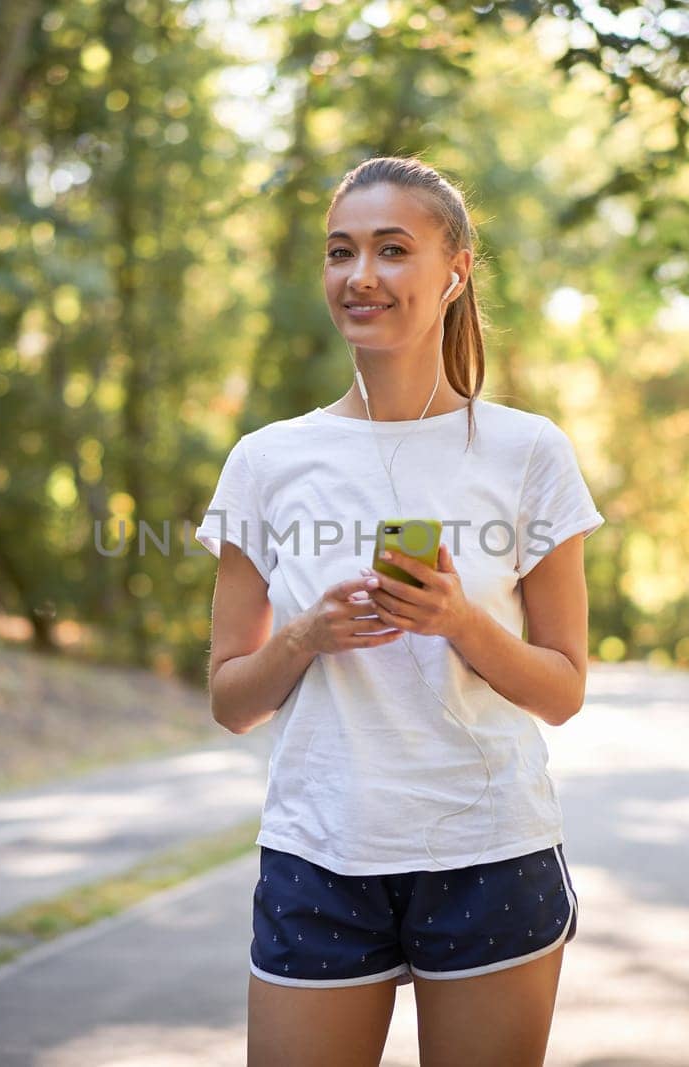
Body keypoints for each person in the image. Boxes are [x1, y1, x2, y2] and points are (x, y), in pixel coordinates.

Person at [194, 155, 607, 1067]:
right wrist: (309, 633)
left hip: (490, 848)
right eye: (342, 252)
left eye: (392, 250)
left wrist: (460, 619)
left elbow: (565, 689)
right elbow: (231, 701)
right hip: (319, 853)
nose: (362, 276)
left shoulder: (529, 452)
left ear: (455, 270)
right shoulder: (267, 461)